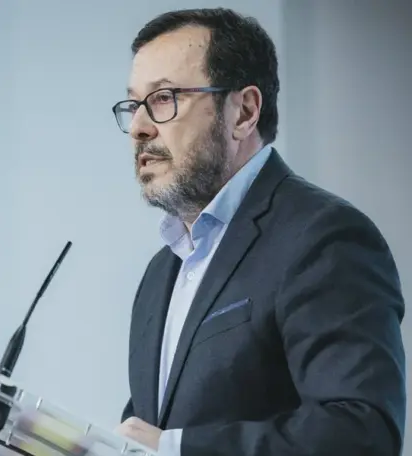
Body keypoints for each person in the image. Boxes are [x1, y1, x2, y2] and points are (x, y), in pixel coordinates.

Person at [110, 7, 406, 456]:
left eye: (164, 98)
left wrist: (177, 448)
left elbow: (361, 432)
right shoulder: (161, 272)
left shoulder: (324, 238)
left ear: (243, 112)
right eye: (134, 105)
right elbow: (147, 434)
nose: (138, 127)